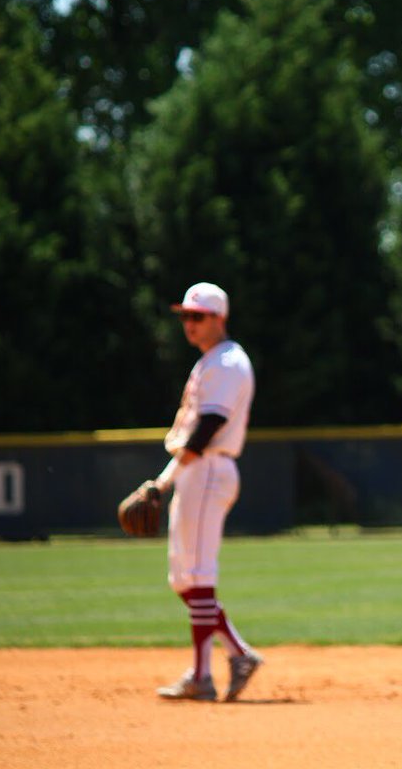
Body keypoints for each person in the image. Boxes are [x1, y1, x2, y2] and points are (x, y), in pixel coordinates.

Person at [153, 281, 263, 702]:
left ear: (220, 318)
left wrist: (161, 482)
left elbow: (206, 429)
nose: (189, 325)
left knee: (197, 577)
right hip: (197, 470)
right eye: (185, 316)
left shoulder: (227, 362)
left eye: (197, 316)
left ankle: (203, 674)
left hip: (208, 468)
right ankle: (236, 653)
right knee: (185, 580)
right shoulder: (211, 361)